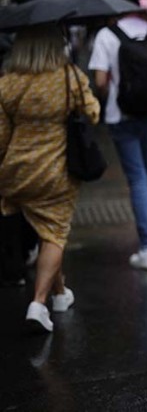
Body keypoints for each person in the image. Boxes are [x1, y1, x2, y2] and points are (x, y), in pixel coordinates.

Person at [0, 25, 100, 332]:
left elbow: (1, 137)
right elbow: (93, 113)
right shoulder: (68, 77)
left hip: (16, 172)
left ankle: (60, 293)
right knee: (55, 233)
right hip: (55, 172)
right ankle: (38, 304)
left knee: (45, 230)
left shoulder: (7, 82)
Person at [88, 11, 147, 271]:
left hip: (121, 115)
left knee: (136, 177)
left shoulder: (106, 35)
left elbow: (100, 81)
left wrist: (115, 88)